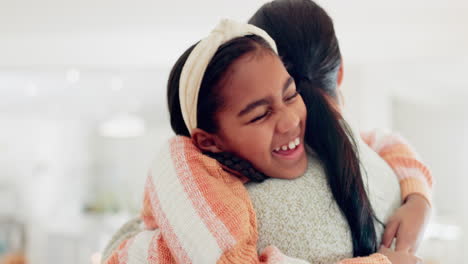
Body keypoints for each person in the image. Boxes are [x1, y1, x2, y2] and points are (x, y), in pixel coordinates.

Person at [102, 18, 431, 264]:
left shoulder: (328, 145)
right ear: (208, 141)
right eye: (259, 115)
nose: (289, 121)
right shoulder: (191, 184)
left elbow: (379, 140)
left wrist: (418, 198)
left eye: (290, 94)